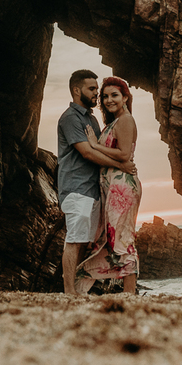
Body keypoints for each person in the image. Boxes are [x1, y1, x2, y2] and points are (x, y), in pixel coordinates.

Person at [57, 70, 135, 294]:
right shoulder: (70, 118)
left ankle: (77, 290)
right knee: (74, 239)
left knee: (85, 241)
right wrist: (122, 165)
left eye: (96, 89)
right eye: (92, 89)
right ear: (76, 90)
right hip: (76, 188)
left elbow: (105, 149)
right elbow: (87, 153)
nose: (97, 95)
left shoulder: (91, 119)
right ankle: (69, 291)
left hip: (93, 190)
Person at [75, 77, 142, 295]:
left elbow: (124, 154)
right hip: (112, 185)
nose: (108, 100)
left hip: (122, 186)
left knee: (122, 236)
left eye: (114, 95)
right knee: (107, 237)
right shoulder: (113, 122)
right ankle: (85, 287)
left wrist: (94, 144)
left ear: (125, 97)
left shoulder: (125, 120)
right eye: (105, 96)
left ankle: (129, 293)